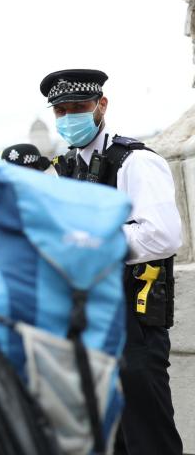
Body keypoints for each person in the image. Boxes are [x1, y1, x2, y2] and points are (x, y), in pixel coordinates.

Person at [39, 69, 183, 455]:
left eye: (78, 107)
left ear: (102, 104)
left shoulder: (134, 161)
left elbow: (164, 235)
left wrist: (91, 242)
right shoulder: (67, 166)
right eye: (61, 111)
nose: (69, 117)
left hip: (132, 320)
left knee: (148, 436)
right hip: (89, 322)